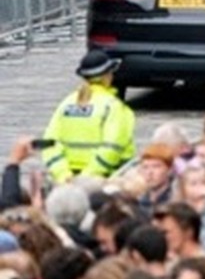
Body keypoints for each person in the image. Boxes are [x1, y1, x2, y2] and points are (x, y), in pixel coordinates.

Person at [42, 50, 136, 183]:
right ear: (107, 76)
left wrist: (63, 175)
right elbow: (112, 148)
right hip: (106, 181)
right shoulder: (113, 107)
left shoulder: (66, 103)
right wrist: (87, 177)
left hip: (66, 181)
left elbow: (48, 144)